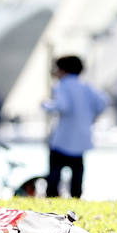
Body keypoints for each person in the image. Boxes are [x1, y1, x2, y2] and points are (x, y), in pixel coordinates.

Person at [41, 55, 109, 198]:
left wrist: (46, 105)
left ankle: (52, 196)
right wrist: (92, 117)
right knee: (77, 171)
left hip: (64, 138)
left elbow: (63, 105)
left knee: (55, 172)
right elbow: (102, 102)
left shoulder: (62, 85)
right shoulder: (86, 86)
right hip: (81, 137)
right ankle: (76, 197)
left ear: (63, 70)